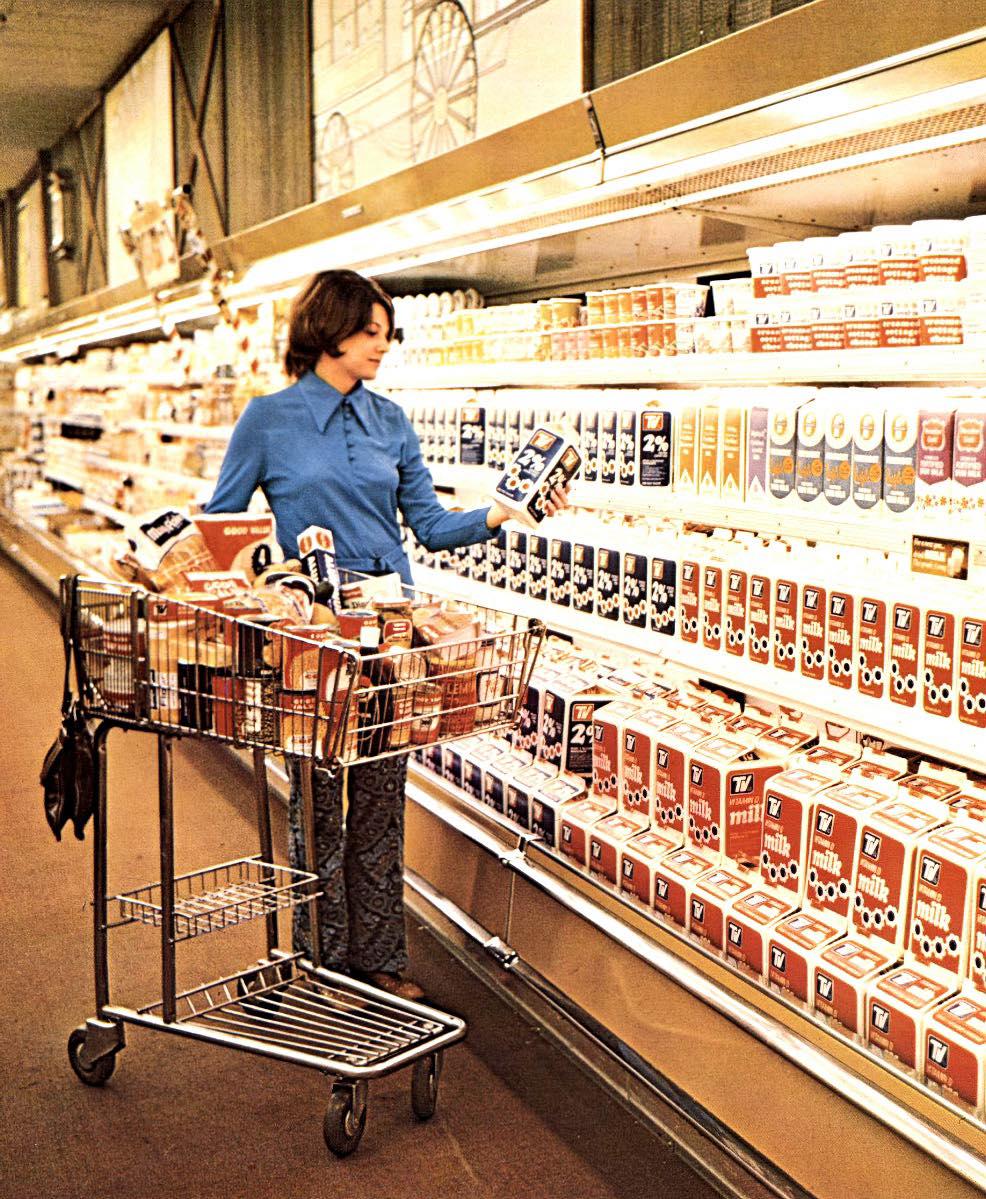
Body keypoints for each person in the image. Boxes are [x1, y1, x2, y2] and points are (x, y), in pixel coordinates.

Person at [203, 269, 569, 999]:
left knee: (380, 799)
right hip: (311, 636)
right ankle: (321, 964)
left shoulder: (392, 421)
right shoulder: (267, 419)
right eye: (370, 331)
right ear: (327, 329)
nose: (382, 345)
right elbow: (223, 529)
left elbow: (429, 525)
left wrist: (503, 512)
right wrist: (269, 581)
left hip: (391, 636)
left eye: (386, 332)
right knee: (316, 803)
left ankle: (378, 961)